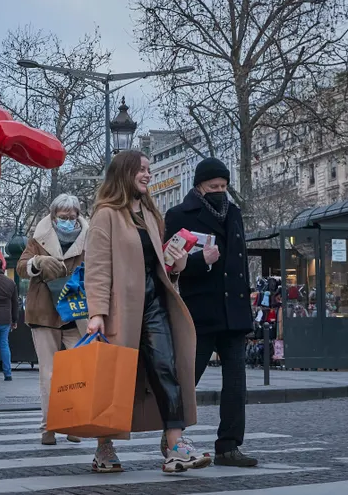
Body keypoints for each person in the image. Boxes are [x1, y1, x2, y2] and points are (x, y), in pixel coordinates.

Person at [85, 150, 210, 474]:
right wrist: (97, 312)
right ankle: (104, 446)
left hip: (154, 304)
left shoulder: (152, 215)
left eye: (149, 169)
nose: (147, 174)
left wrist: (177, 262)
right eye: (141, 169)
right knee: (114, 380)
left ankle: (175, 443)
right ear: (125, 172)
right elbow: (97, 268)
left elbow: (160, 267)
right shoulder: (106, 214)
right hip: (120, 310)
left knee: (166, 368)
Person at [163, 157, 258, 468]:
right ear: (200, 186)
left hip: (234, 312)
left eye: (224, 186)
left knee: (235, 384)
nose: (220, 191)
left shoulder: (234, 213)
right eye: (214, 186)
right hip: (199, 310)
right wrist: (200, 260)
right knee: (188, 377)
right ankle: (173, 438)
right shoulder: (178, 215)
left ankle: (229, 446)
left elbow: (240, 263)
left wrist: (247, 306)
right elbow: (167, 262)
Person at [16, 193, 88, 445]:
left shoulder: (90, 237)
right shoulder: (39, 236)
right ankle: (48, 426)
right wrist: (38, 262)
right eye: (63, 216)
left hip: (76, 312)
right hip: (45, 311)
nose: (69, 220)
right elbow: (21, 266)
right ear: (53, 216)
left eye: (72, 216)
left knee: (78, 373)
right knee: (48, 373)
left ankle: (73, 423)